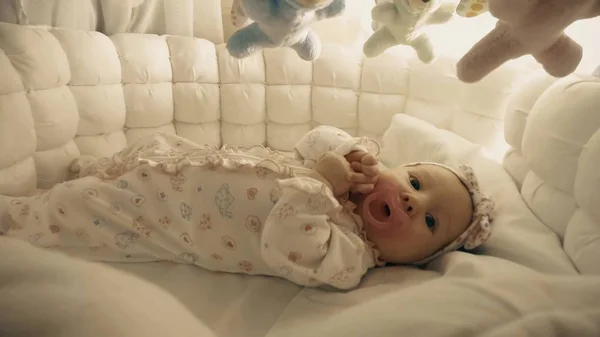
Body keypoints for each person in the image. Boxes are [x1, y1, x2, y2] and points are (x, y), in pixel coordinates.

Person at [0, 126, 494, 290]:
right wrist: (346, 155)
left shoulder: (350, 255)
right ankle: (101, 168)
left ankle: (16, 217)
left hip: (158, 216)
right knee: (154, 151)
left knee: (74, 209)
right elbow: (312, 140)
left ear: (404, 261)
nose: (412, 199)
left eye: (429, 220)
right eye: (414, 180)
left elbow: (290, 244)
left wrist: (321, 186)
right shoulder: (351, 181)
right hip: (182, 168)